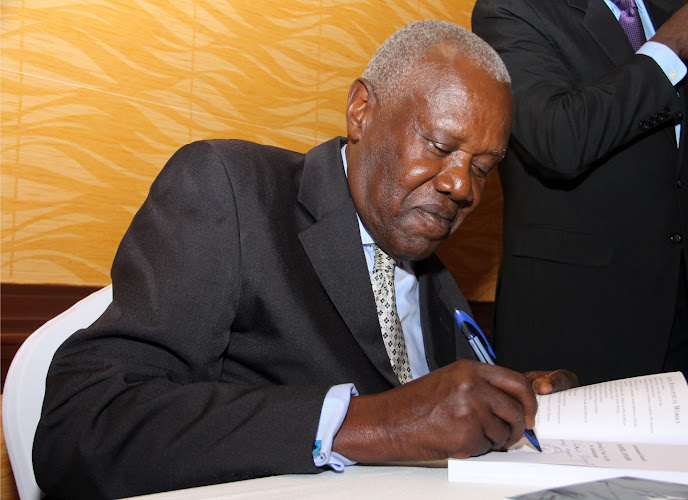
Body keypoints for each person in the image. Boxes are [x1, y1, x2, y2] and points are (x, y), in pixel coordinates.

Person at [32, 21, 577, 499]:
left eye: (483, 168)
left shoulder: (436, 278)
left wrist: (507, 404)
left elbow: (432, 415)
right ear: (361, 111)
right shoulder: (230, 191)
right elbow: (80, 427)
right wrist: (371, 423)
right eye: (439, 146)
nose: (463, 188)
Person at [472, 0, 688, 403]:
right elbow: (558, 141)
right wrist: (666, 51)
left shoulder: (671, 7)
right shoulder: (511, 10)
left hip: (680, 320)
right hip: (575, 326)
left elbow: (673, 157)